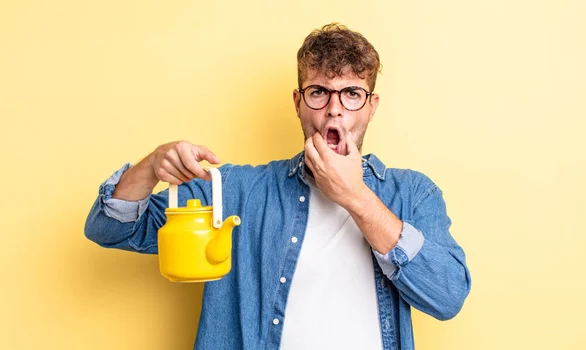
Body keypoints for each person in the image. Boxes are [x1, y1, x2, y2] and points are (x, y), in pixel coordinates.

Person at [85, 23, 471, 350]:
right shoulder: (234, 191)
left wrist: (355, 196)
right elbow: (111, 227)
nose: (335, 109)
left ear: (371, 106)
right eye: (319, 92)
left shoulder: (413, 194)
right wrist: (152, 166)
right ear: (298, 102)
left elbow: (447, 296)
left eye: (352, 93)